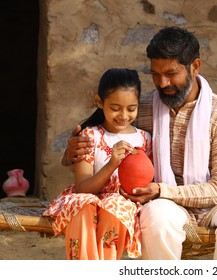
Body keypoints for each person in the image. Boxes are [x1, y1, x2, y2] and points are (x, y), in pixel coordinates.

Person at [62, 26, 217, 260]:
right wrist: (71, 153)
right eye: (155, 74)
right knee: (156, 217)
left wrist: (163, 190)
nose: (162, 82)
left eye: (171, 73)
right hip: (163, 204)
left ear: (195, 66)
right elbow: (102, 137)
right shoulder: (142, 106)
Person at [43, 68, 152, 260]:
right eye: (115, 108)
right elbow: (83, 188)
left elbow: (145, 181)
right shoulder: (89, 136)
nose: (123, 115)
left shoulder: (144, 139)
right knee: (83, 204)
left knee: (115, 205)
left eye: (131, 108)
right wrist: (112, 164)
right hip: (89, 196)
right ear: (100, 102)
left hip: (121, 203)